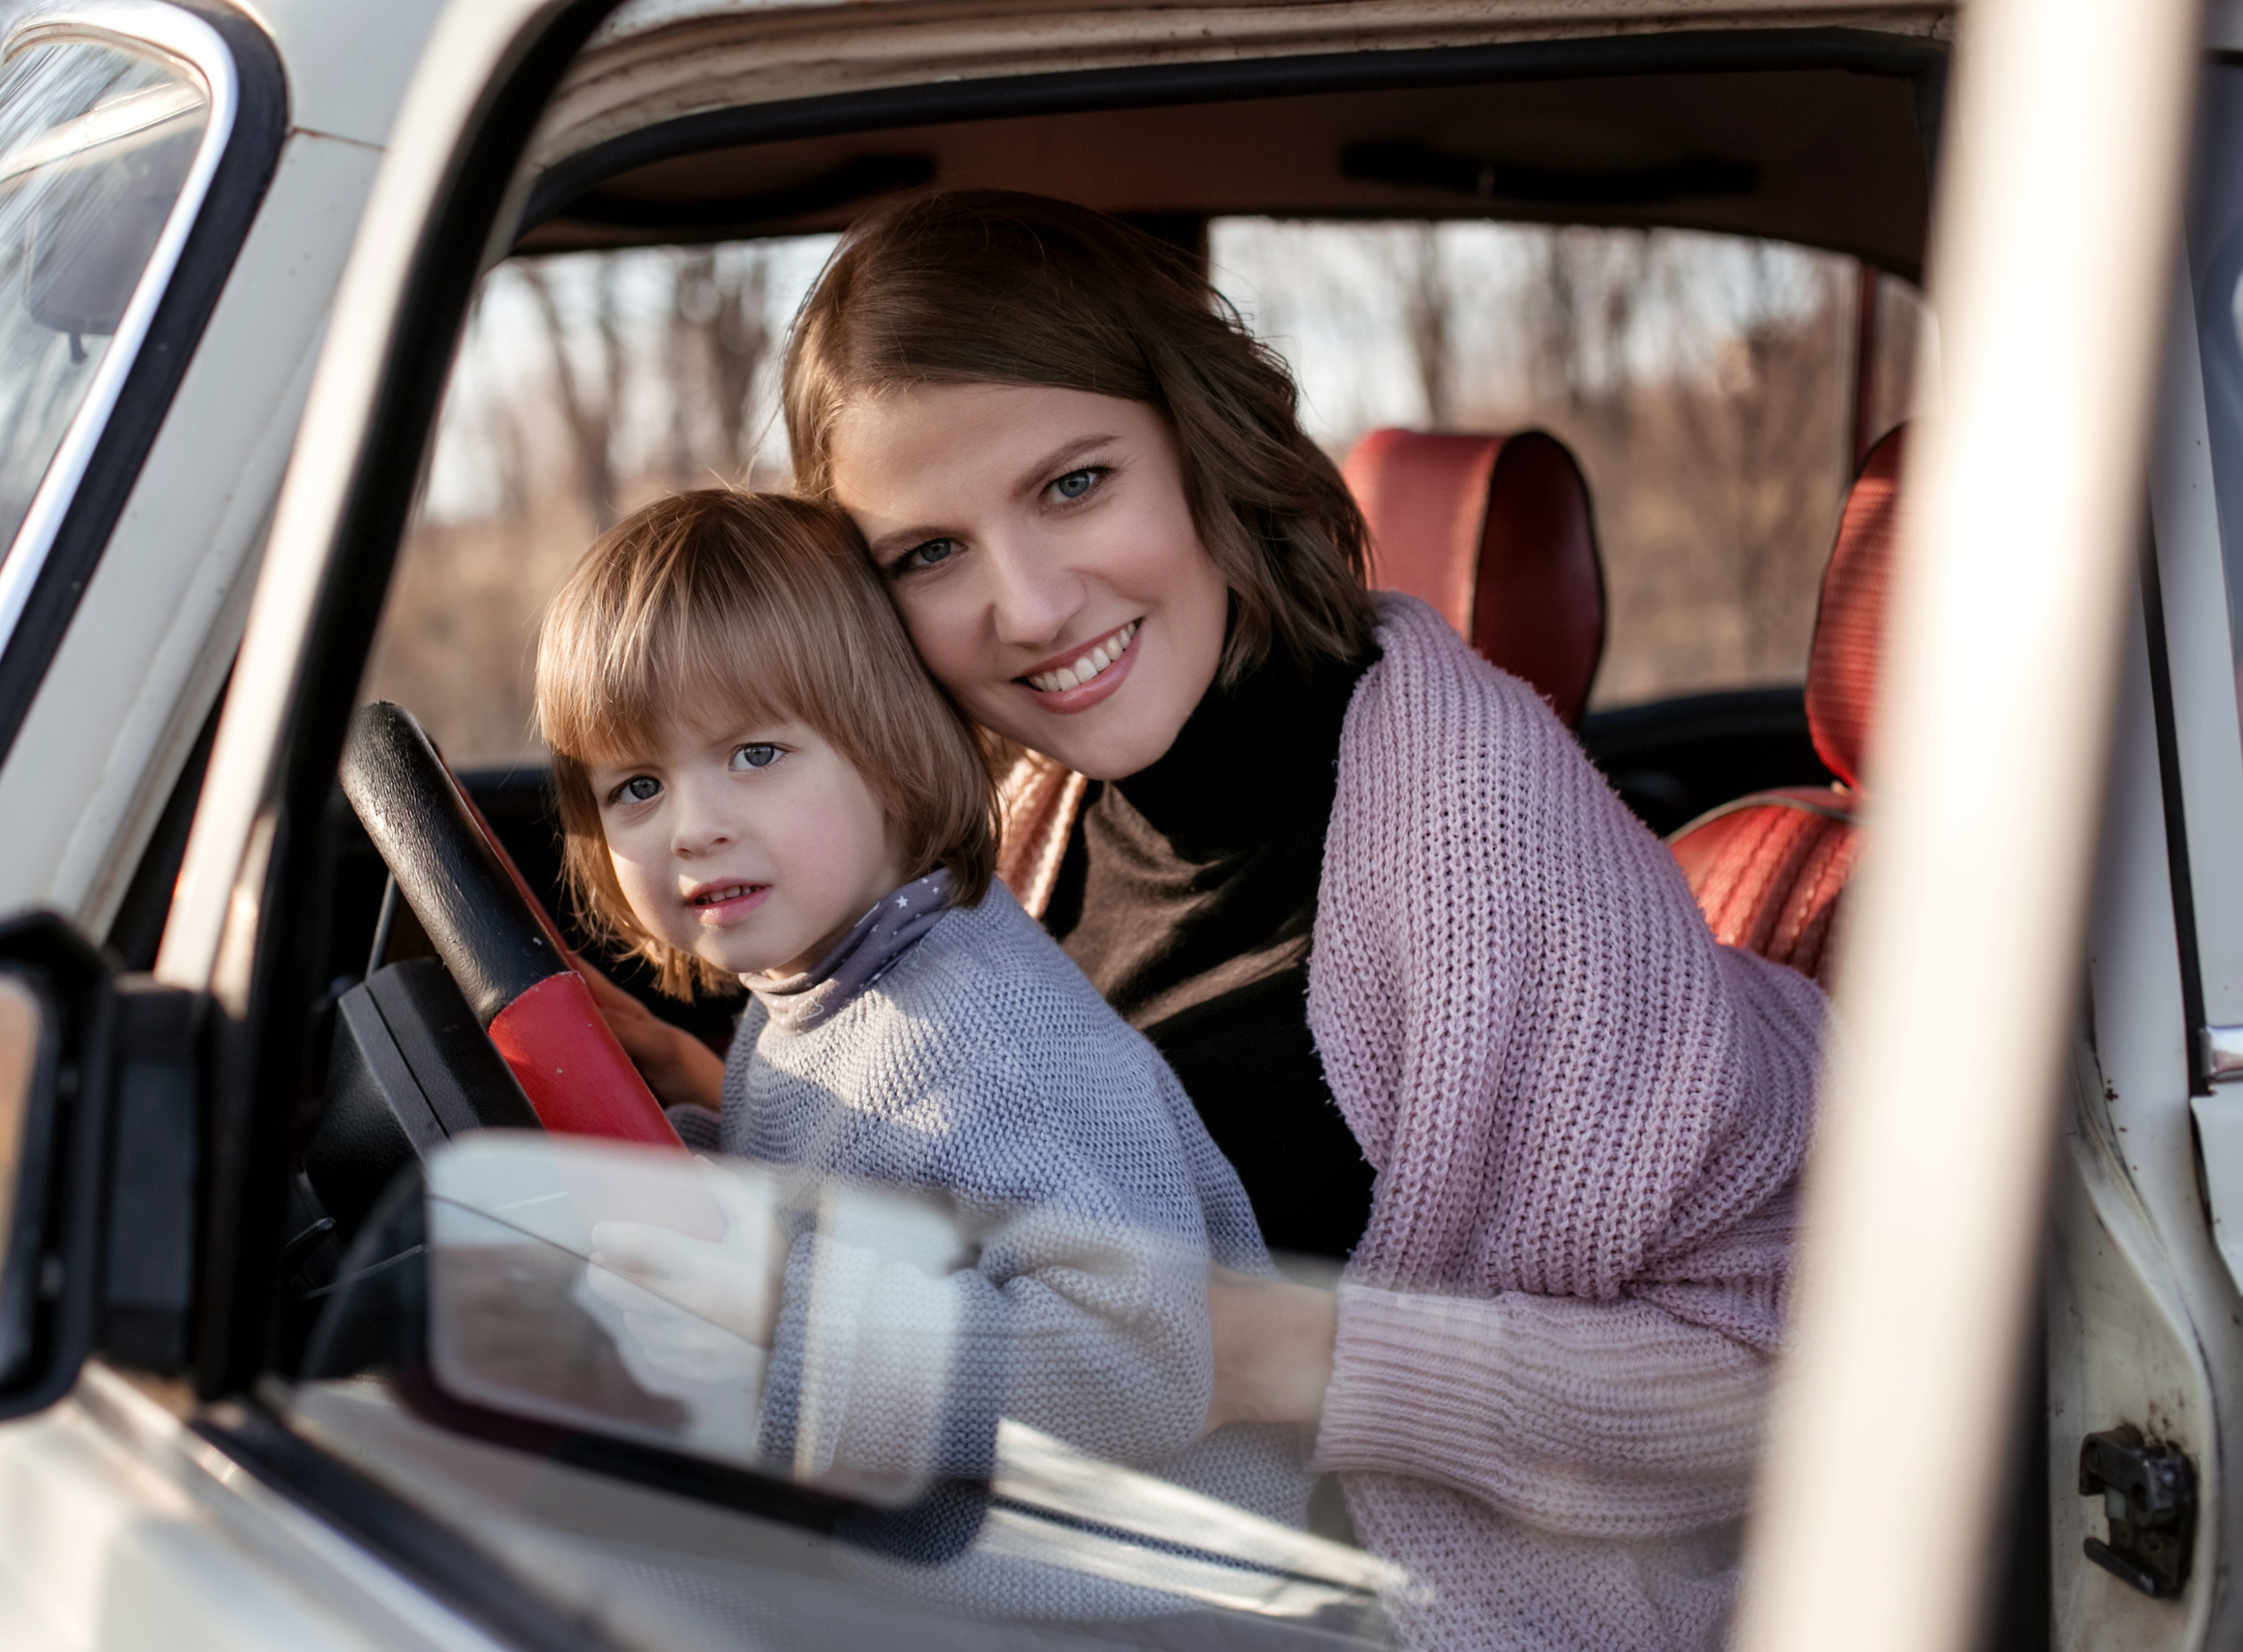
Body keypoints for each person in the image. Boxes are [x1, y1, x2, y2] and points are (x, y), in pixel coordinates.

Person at [757, 191, 1827, 1651]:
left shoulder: (1470, 821)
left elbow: (1793, 1379)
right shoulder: (1024, 823)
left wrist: (1280, 1350)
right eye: (925, 554)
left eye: (1074, 483)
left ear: (1200, 452)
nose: (1028, 604)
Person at [533, 488, 1314, 1613]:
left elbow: (1139, 1368)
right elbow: (855, 1210)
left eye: (755, 753)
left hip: (1117, 1610)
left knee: (561, 1566)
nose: (690, 826)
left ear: (891, 750)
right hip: (944, 1550)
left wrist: (778, 1311)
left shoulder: (974, 1032)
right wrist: (687, 1152)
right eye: (637, 787)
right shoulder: (816, 989)